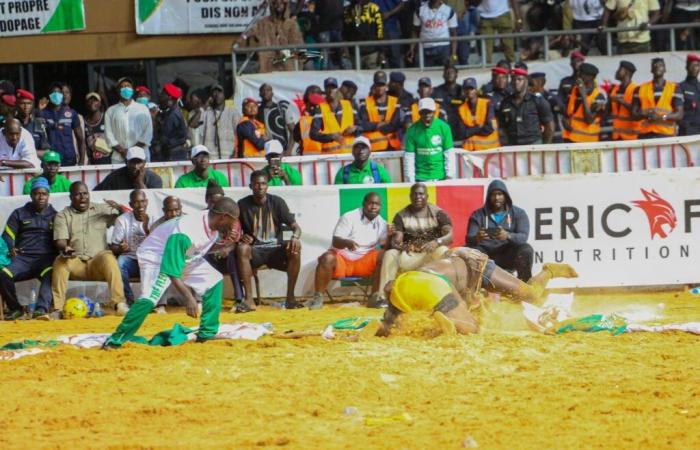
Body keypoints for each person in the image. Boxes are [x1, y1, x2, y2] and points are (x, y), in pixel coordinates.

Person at [103, 197, 240, 349]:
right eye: (233, 220)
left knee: (214, 280)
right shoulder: (187, 231)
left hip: (184, 254)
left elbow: (199, 246)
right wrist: (189, 298)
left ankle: (206, 333)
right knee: (150, 299)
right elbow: (171, 270)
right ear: (223, 217)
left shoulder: (211, 220)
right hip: (156, 257)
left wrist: (224, 243)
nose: (235, 225)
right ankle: (115, 340)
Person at [376, 247, 578, 336]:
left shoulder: (423, 279)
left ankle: (549, 270)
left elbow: (388, 287)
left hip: (474, 268)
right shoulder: (441, 280)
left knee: (532, 294)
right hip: (437, 280)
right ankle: (445, 324)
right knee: (470, 325)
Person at [52, 182, 127, 317]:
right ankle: (58, 309)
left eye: (85, 193)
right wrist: (65, 248)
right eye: (77, 194)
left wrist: (121, 209)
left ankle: (119, 304)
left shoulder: (102, 209)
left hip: (98, 263)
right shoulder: (63, 215)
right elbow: (60, 240)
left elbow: (127, 218)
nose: (82, 197)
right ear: (70, 197)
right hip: (76, 263)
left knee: (108, 257)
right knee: (60, 261)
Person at [236, 171, 303, 312]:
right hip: (256, 252)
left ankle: (290, 298)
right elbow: (234, 230)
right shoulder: (242, 204)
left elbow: (296, 228)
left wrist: (295, 237)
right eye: (256, 184)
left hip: (276, 250)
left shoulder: (277, 202)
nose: (260, 187)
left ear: (268, 186)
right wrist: (240, 238)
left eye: (263, 183)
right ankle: (249, 300)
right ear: (250, 186)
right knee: (242, 249)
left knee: (295, 248)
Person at [377, 183, 453, 305]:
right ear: (410, 196)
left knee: (443, 249)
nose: (418, 197)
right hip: (410, 256)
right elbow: (397, 240)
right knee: (390, 253)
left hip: (431, 256)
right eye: (415, 194)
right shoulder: (401, 215)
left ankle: (449, 295)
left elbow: (450, 236)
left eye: (421, 194)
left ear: (427, 196)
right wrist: (401, 245)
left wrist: (437, 242)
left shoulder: (438, 213)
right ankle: (383, 298)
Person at [310, 192, 388, 309]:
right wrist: (347, 242)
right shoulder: (349, 217)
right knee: (327, 258)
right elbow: (336, 241)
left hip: (364, 262)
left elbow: (384, 246)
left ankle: (375, 297)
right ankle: (318, 298)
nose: (373, 207)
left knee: (385, 256)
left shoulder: (382, 223)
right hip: (343, 259)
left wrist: (391, 236)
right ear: (363, 204)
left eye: (377, 204)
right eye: (370, 203)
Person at [0, 178, 58, 320]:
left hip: (45, 259)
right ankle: (16, 309)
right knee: (3, 274)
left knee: (51, 273)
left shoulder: (55, 215)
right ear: (31, 195)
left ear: (48, 195)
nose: (41, 197)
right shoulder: (19, 213)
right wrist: (11, 248)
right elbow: (7, 235)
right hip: (22, 259)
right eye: (37, 193)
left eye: (44, 193)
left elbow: (60, 238)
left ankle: (41, 310)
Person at [466, 179, 533, 281]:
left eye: (500, 194)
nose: (497, 198)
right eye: (493, 195)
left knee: (526, 249)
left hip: (507, 255)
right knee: (470, 251)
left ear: (505, 196)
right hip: (485, 255)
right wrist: (477, 238)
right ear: (488, 197)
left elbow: (523, 237)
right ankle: (475, 287)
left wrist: (508, 236)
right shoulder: (477, 215)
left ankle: (525, 285)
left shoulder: (518, 213)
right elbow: (468, 239)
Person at [110, 190, 156, 309]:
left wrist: (146, 228)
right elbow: (114, 247)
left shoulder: (154, 219)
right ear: (130, 205)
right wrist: (120, 248)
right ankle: (129, 300)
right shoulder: (122, 220)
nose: (140, 206)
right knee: (120, 263)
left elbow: (159, 245)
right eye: (136, 202)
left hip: (149, 261)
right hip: (131, 259)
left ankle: (152, 302)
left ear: (147, 202)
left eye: (142, 201)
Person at [238, 0, 304, 73]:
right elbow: (250, 32)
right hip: (267, 67)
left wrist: (285, 53)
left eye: (282, 3)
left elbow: (299, 46)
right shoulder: (263, 23)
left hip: (287, 66)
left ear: (286, 5)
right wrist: (243, 37)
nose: (278, 5)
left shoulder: (292, 24)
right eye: (275, 3)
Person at [498, 68, 555, 145]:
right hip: (513, 146)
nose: (516, 82)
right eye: (513, 79)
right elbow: (502, 127)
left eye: (519, 79)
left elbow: (550, 127)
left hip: (533, 144)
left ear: (526, 81)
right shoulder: (505, 103)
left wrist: (544, 147)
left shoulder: (537, 101)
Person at [404, 98, 455, 182]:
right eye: (423, 112)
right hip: (420, 178)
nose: (426, 115)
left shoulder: (444, 127)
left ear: (434, 112)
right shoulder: (412, 130)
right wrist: (411, 181)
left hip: (441, 178)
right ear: (419, 113)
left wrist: (449, 177)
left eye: (429, 112)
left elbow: (449, 154)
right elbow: (409, 157)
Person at [104, 77, 153, 164]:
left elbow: (148, 132)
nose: (126, 88)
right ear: (118, 91)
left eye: (128, 86)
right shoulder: (111, 111)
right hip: (119, 158)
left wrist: (132, 151)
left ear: (132, 90)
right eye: (122, 86)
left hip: (141, 155)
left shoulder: (143, 108)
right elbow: (109, 135)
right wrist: (122, 151)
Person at [632, 58, 684, 139]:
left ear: (665, 69)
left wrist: (661, 117)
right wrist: (644, 115)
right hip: (645, 134)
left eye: (660, 65)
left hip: (666, 135)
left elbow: (679, 115)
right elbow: (633, 115)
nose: (657, 67)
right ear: (651, 70)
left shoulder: (674, 88)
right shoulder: (640, 88)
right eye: (655, 65)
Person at [37, 82, 85, 166]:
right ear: (48, 95)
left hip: (69, 158)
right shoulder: (42, 113)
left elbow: (80, 139)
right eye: (53, 93)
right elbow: (38, 136)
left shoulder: (71, 113)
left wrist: (81, 161)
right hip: (50, 159)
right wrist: (39, 110)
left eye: (59, 92)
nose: (56, 95)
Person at [311, 77, 361, 154]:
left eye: (333, 87)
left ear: (337, 89)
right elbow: (313, 134)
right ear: (325, 90)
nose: (331, 90)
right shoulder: (320, 108)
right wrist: (331, 137)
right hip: (330, 159)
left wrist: (355, 128)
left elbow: (361, 126)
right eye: (328, 88)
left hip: (350, 155)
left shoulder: (349, 105)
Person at [562, 63, 606, 143]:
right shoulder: (574, 91)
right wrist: (564, 121)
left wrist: (583, 96)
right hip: (569, 139)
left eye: (580, 73)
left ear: (590, 77)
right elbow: (567, 114)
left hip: (587, 143)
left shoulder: (599, 97)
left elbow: (589, 120)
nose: (577, 75)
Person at [407, 0, 458, 67]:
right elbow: (415, 31)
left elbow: (453, 34)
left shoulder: (449, 11)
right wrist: (412, 48)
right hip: (425, 47)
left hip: (443, 47)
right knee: (425, 74)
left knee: (445, 72)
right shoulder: (419, 10)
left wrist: (453, 54)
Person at [359, 71, 402, 152]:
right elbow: (363, 125)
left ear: (386, 86)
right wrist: (379, 124)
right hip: (373, 147)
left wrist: (374, 126)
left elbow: (395, 125)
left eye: (382, 85)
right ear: (374, 85)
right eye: (377, 85)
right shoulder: (365, 102)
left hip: (392, 147)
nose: (380, 88)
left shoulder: (395, 101)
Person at [94, 147, 162, 191]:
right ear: (126, 162)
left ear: (144, 163)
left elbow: (152, 201)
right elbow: (97, 193)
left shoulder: (154, 179)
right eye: (132, 162)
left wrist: (140, 183)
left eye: (139, 162)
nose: (135, 166)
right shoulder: (114, 177)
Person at [459, 77, 500, 151]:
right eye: (466, 89)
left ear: (476, 90)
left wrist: (471, 131)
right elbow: (462, 133)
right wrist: (479, 127)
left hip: (490, 149)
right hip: (471, 152)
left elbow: (489, 128)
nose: (469, 91)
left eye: (471, 88)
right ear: (463, 91)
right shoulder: (461, 109)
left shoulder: (487, 103)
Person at [201, 84, 240, 160]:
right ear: (211, 96)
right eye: (214, 93)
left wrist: (236, 151)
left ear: (224, 95)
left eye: (219, 92)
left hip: (229, 155)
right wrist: (205, 105)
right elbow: (193, 124)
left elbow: (239, 134)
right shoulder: (206, 113)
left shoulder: (233, 112)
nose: (217, 95)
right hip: (210, 157)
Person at [343, 0, 386, 69]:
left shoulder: (374, 8)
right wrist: (345, 49)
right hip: (354, 52)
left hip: (372, 51)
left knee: (372, 75)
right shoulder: (347, 10)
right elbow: (345, 32)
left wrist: (381, 52)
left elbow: (380, 31)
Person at [154, 83, 188, 161]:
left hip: (174, 154)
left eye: (162, 94)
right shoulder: (169, 112)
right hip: (173, 152)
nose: (160, 96)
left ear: (169, 97)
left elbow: (165, 136)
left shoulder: (173, 114)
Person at [257, 83, 295, 155]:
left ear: (272, 93)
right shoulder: (256, 111)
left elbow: (293, 131)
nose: (265, 92)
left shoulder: (282, 109)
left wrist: (289, 151)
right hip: (263, 152)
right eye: (263, 90)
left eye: (268, 90)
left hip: (281, 151)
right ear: (260, 94)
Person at [432, 64, 465, 144]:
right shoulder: (437, 91)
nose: (449, 74)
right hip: (442, 128)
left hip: (459, 129)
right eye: (447, 72)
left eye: (452, 72)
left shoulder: (463, 90)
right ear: (443, 75)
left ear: (456, 75)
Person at [608, 60, 640, 140]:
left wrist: (620, 100)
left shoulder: (636, 89)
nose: (617, 71)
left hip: (632, 137)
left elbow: (637, 111)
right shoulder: (614, 89)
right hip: (617, 136)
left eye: (619, 69)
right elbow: (610, 110)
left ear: (627, 72)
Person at [16, 89, 49, 154]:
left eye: (29, 103)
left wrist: (27, 153)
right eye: (22, 103)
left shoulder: (38, 123)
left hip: (34, 162)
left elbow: (46, 151)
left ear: (32, 105)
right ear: (17, 105)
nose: (26, 107)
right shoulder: (12, 123)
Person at [293, 87, 324, 155]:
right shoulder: (303, 120)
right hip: (308, 158)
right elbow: (296, 136)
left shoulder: (327, 117)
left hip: (326, 157)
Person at [376, 1, 406, 68]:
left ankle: (396, 76)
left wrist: (389, 13)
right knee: (381, 57)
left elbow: (402, 5)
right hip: (376, 30)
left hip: (392, 28)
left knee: (395, 57)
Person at [84, 92, 110, 165]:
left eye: (95, 100)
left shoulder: (106, 118)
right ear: (86, 104)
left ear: (100, 103)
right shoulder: (83, 122)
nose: (92, 102)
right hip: (91, 164)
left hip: (109, 162)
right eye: (90, 100)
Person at [679, 54, 700, 137]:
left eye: (697, 66)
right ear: (686, 67)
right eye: (692, 65)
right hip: (687, 131)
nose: (695, 68)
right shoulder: (680, 87)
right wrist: (684, 124)